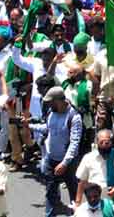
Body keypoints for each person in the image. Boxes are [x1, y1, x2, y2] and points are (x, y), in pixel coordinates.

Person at [33, 87, 84, 217]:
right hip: (51, 159)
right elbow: (48, 128)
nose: (49, 105)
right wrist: (29, 126)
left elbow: (74, 143)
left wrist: (64, 163)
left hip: (68, 163)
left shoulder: (74, 117)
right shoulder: (52, 112)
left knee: (74, 192)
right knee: (50, 191)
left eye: (51, 102)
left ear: (59, 101)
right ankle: (51, 213)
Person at [74, 129, 114, 210]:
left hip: (112, 204)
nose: (104, 145)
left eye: (106, 142)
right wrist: (78, 203)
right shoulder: (88, 158)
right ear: (96, 142)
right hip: (92, 202)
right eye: (101, 142)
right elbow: (82, 181)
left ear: (111, 142)